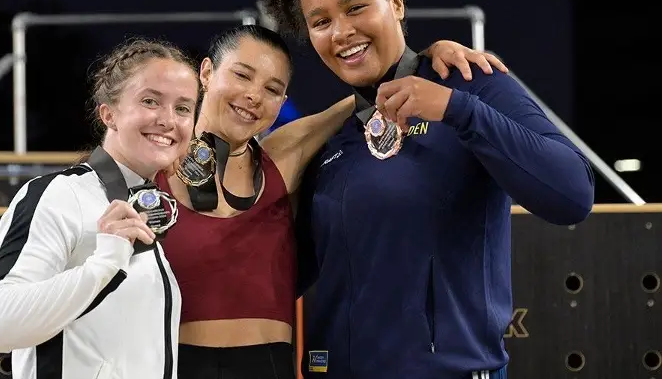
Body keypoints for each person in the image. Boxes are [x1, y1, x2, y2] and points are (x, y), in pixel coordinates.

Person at [260, 0, 596, 379]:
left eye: (356, 7)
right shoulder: (335, 136)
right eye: (320, 21)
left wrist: (458, 109)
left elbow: (572, 195)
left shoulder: (472, 86)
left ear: (395, 2)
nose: (341, 32)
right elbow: (285, 275)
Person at [155, 25, 510, 379]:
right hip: (173, 363)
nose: (253, 96)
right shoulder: (148, 163)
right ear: (206, 72)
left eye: (272, 89)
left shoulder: (281, 158)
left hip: (270, 366)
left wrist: (424, 59)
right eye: (242, 76)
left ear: (282, 102)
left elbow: (368, 99)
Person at [0, 38, 201, 379]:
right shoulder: (58, 194)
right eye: (150, 101)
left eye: (183, 108)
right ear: (109, 115)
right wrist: (103, 265)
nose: (168, 120)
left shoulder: (146, 205)